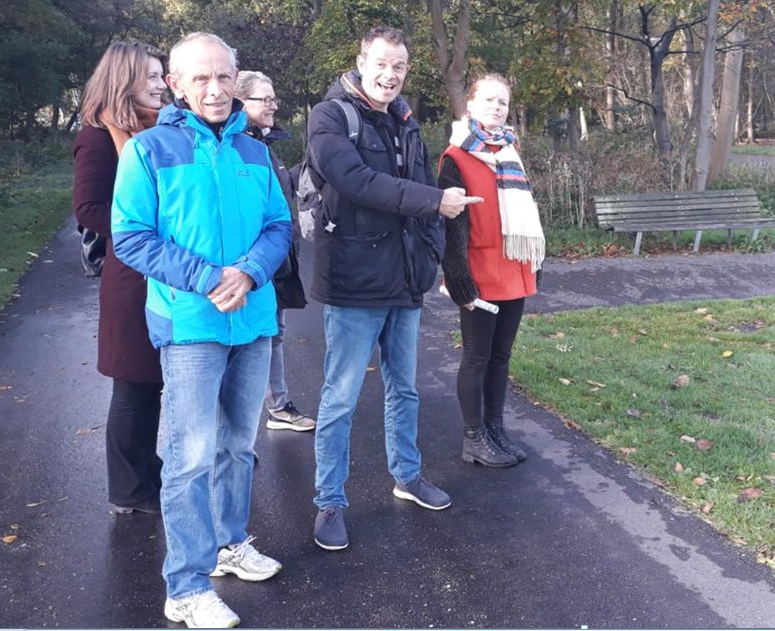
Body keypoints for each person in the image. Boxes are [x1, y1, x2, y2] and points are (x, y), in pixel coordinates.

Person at [111, 32, 291, 628]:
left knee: (239, 446)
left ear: (235, 77)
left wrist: (249, 271)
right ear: (178, 86)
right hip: (190, 322)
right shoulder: (149, 150)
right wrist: (210, 277)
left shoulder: (257, 152)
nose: (215, 90)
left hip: (254, 318)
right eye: (200, 79)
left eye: (223, 78)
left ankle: (228, 544)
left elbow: (278, 226)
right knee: (188, 457)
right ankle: (184, 586)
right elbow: (131, 235)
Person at [307, 25, 482, 552]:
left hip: (405, 281)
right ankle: (329, 501)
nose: (390, 75)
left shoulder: (406, 119)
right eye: (381, 63)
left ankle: (407, 476)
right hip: (355, 283)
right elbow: (356, 181)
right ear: (361, 60)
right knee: (340, 398)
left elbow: (427, 185)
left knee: (404, 389)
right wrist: (432, 205)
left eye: (400, 66)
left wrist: (430, 252)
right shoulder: (330, 117)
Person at [73, 41, 169, 515]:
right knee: (133, 382)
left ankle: (146, 471)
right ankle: (128, 491)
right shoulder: (97, 134)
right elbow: (88, 207)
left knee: (152, 381)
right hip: (131, 276)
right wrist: (140, 229)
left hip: (166, 273)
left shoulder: (161, 129)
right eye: (151, 76)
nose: (160, 84)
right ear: (125, 78)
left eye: (160, 75)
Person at [438, 74, 545, 468]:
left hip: (513, 269)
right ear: (470, 106)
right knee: (477, 357)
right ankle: (473, 438)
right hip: (479, 273)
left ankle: (495, 428)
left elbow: (525, 213)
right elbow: (452, 227)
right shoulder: (456, 157)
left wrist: (534, 261)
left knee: (502, 357)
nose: (496, 108)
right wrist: (458, 277)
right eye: (488, 100)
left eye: (502, 102)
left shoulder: (509, 151)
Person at [233, 70, 315, 433]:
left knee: (273, 334)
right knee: (251, 339)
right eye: (263, 99)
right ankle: (247, 422)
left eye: (273, 98)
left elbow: (280, 192)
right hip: (251, 266)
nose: (272, 105)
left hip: (276, 262)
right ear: (241, 102)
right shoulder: (237, 147)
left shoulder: (264, 146)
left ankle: (277, 406)